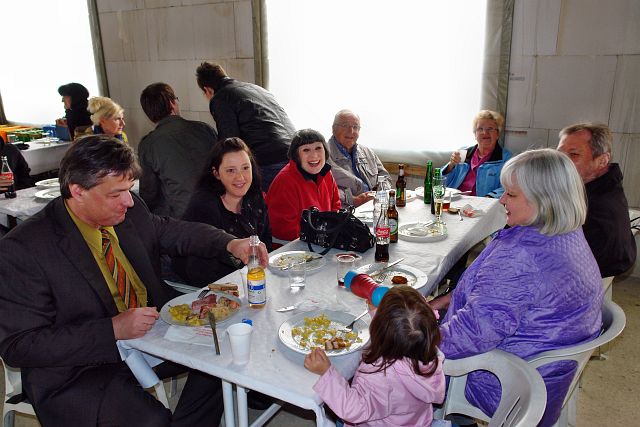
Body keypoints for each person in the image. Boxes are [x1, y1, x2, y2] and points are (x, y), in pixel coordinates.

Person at [0, 135, 268, 426]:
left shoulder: (128, 210)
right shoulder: (24, 248)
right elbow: (19, 345)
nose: (128, 201)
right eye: (116, 194)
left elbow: (174, 231)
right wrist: (112, 329)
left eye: (129, 190)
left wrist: (230, 243)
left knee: (224, 354)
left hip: (152, 332)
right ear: (78, 191)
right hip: (81, 367)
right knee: (151, 420)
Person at [435, 149, 603, 427]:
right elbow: (500, 296)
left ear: (544, 200)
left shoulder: (521, 256)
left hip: (510, 383)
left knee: (391, 368)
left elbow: (474, 333)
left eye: (511, 194)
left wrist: (415, 344)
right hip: (550, 371)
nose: (502, 200)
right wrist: (447, 299)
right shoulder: (563, 232)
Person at [304, 286, 445, 426]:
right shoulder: (427, 351)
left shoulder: (381, 376)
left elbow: (352, 409)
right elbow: (402, 328)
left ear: (380, 330)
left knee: (333, 409)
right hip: (414, 422)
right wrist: (376, 313)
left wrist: (327, 373)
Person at [173, 137, 273, 285]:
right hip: (210, 286)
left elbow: (266, 243)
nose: (240, 177)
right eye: (231, 170)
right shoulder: (203, 207)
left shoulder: (254, 196)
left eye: (245, 168)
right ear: (216, 173)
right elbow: (198, 271)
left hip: (249, 278)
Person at [195, 62, 296, 191]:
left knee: (265, 203)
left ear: (207, 90)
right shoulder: (256, 88)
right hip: (295, 155)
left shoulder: (221, 98)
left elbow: (229, 142)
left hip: (270, 161)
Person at [557, 122, 636, 278]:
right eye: (559, 154)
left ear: (602, 161)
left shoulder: (597, 205)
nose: (561, 162)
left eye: (574, 154)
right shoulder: (604, 185)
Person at [138, 82, 217, 218]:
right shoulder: (205, 129)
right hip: (217, 208)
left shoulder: (148, 144)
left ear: (149, 115)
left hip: (181, 217)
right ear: (172, 103)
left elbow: (149, 194)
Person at [266, 129, 341, 241]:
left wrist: (332, 230)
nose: (314, 155)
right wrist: (321, 235)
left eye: (318, 148)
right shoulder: (285, 181)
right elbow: (283, 230)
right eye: (306, 150)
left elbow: (336, 206)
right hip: (293, 245)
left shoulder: (326, 173)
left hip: (322, 239)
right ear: (296, 155)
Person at [327, 109, 391, 207]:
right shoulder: (323, 155)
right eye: (345, 125)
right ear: (333, 128)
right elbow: (324, 189)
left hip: (375, 205)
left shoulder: (367, 152)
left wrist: (380, 193)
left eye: (355, 127)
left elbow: (385, 176)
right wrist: (353, 200)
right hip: (347, 209)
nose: (351, 131)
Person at [442, 110, 512, 198]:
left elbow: (509, 186)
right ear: (475, 134)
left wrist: (489, 197)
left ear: (497, 134)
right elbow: (439, 182)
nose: (485, 133)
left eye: (490, 129)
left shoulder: (506, 158)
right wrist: (451, 165)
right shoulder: (463, 153)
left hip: (483, 203)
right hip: (455, 200)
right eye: (480, 129)